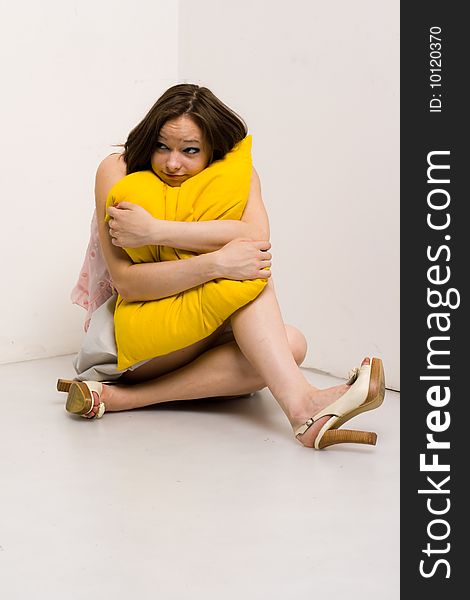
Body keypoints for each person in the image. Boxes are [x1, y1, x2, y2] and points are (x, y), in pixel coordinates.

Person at [57, 83, 385, 450]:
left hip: (196, 328)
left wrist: (155, 230)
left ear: (214, 148)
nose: (172, 162)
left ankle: (126, 400)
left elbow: (255, 240)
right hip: (125, 339)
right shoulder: (116, 170)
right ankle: (303, 405)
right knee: (248, 278)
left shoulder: (233, 178)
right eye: (161, 146)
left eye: (190, 150)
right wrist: (217, 262)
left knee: (292, 343)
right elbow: (128, 283)